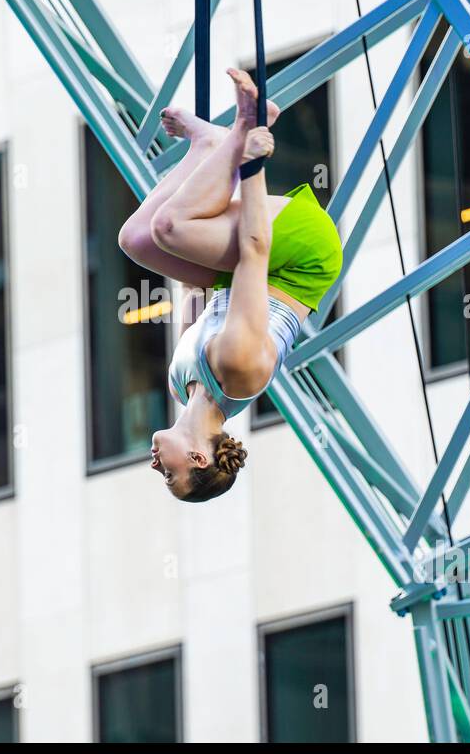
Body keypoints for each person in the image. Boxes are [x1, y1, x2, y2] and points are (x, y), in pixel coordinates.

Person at [117, 68, 343, 502]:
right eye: (168, 474)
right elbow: (255, 250)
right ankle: (238, 132)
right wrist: (250, 162)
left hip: (243, 272)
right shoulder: (238, 372)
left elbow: (194, 290)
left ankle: (204, 147)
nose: (154, 465)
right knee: (170, 227)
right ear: (199, 458)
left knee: (137, 239)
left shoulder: (179, 381)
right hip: (301, 261)